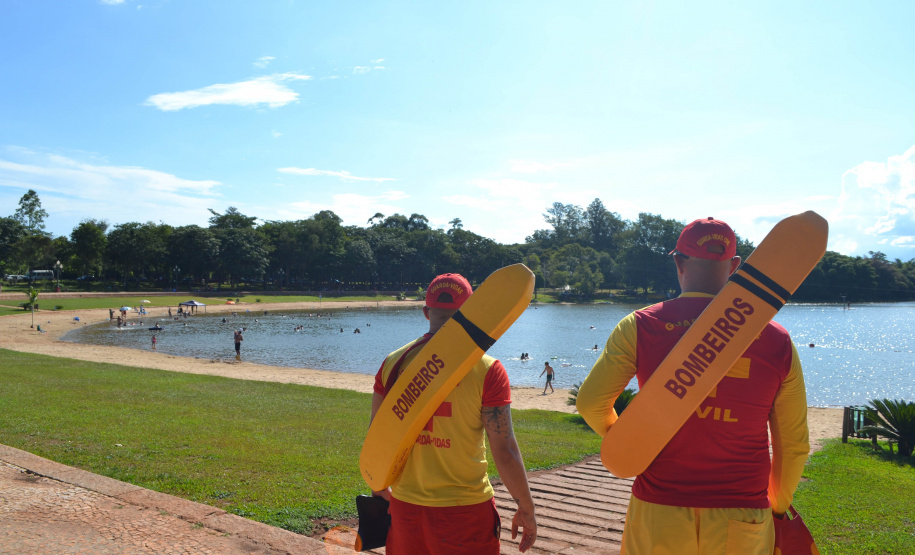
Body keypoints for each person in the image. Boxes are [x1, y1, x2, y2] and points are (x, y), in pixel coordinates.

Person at [576, 217, 809, 554]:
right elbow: (794, 444)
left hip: (659, 510)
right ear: (735, 266)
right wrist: (777, 505)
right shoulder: (777, 339)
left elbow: (590, 403)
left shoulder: (640, 325)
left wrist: (630, 444)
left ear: (678, 262)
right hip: (743, 512)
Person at [370, 273, 537, 554]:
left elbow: (377, 439)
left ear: (426, 312)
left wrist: (378, 488)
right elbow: (505, 450)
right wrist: (527, 508)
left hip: (407, 509)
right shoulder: (487, 369)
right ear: (470, 312)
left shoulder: (392, 363)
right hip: (466, 511)